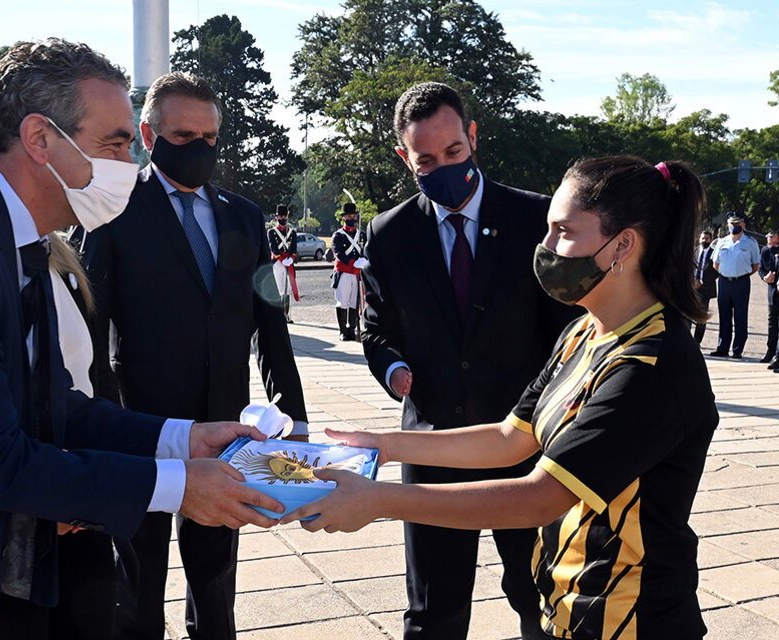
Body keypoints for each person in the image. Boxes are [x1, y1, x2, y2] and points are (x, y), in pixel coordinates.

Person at [0, 39, 284, 640]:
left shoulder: (12, 239)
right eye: (115, 142)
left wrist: (183, 439)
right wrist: (177, 487)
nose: (127, 161)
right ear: (41, 140)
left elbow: (54, 405)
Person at [284, 156, 719, 640]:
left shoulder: (652, 365)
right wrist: (383, 446)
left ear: (623, 245)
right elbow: (510, 436)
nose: (546, 246)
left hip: (632, 617)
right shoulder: (583, 333)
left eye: (563, 231)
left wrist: (378, 500)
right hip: (573, 605)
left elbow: (538, 499)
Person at [82, 71, 309, 640]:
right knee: (137, 587)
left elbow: (269, 323)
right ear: (148, 135)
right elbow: (88, 331)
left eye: (210, 138)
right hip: (145, 431)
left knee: (216, 582)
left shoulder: (243, 216)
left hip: (228, 429)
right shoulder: (109, 211)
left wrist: (293, 414)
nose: (200, 149)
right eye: (184, 137)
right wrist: (108, 426)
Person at [355, 81, 576, 640]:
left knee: (540, 596)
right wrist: (391, 368)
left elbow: (567, 329)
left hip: (526, 444)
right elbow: (376, 328)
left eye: (453, 152)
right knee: (434, 610)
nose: (443, 167)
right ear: (405, 157)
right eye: (425, 160)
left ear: (473, 137)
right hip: (434, 443)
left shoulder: (536, 220)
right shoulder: (388, 233)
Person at [0, 85, 115, 640]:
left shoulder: (52, 255)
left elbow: (75, 384)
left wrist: (169, 445)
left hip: (73, 498)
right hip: (19, 517)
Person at [710, 212, 759, 358]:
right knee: (724, 315)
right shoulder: (722, 242)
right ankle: (722, 347)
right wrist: (728, 274)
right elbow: (715, 264)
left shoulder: (751, 243)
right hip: (724, 282)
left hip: (741, 283)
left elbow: (755, 265)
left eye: (737, 224)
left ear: (743, 225)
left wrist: (740, 275)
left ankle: (737, 349)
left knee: (740, 316)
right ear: (728, 225)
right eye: (732, 224)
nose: (734, 227)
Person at [331, 202, 366, 341]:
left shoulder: (361, 235)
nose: (352, 218)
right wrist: (354, 263)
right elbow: (339, 254)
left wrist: (363, 261)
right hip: (344, 272)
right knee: (342, 302)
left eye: (353, 215)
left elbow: (365, 250)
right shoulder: (338, 235)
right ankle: (343, 331)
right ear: (344, 218)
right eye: (349, 216)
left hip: (356, 273)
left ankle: (351, 330)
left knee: (353, 303)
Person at [268, 204, 298, 323]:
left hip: (288, 263)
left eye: (284, 216)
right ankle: (277, 314)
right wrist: (282, 259)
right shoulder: (272, 232)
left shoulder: (292, 232)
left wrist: (291, 258)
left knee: (287, 290)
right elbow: (273, 247)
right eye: (281, 216)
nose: (283, 218)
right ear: (277, 218)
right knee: (279, 289)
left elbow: (294, 247)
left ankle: (286, 314)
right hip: (277, 262)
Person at [692, 230, 718, 345]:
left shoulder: (714, 253)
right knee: (687, 314)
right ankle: (686, 340)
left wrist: (702, 281)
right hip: (691, 288)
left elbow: (716, 271)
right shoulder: (694, 252)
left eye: (707, 239)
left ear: (711, 240)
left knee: (701, 317)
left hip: (705, 289)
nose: (704, 241)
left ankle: (697, 341)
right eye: (702, 238)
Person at [759, 231, 779, 368]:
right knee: (772, 322)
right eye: (770, 244)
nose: (772, 247)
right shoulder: (765, 251)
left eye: (776, 244)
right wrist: (765, 277)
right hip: (773, 291)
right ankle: (770, 351)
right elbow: (761, 268)